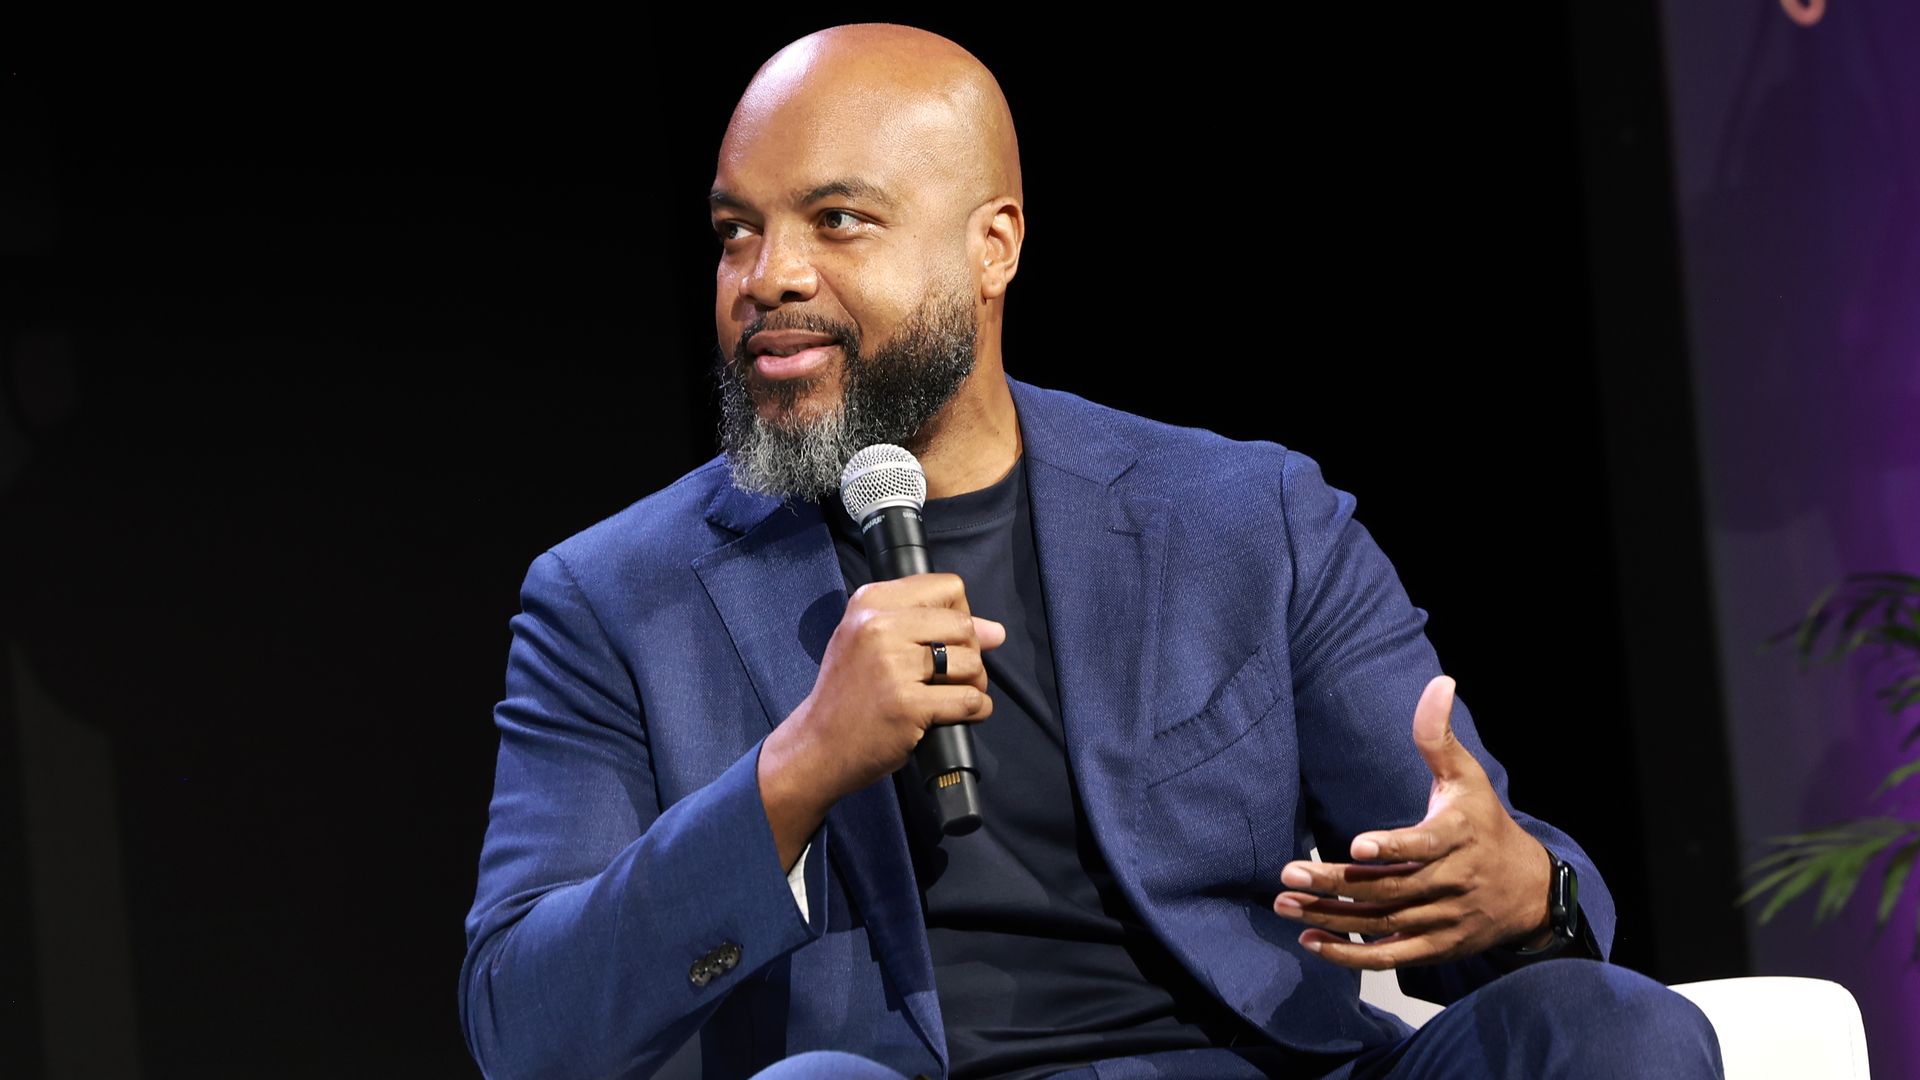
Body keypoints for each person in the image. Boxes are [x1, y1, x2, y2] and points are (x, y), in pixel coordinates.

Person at [459, 23, 1723, 1080]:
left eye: (837, 221)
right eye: (737, 231)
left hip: (1258, 1066)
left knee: (1610, 1027)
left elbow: (1462, 849)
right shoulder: (616, 595)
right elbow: (524, 1025)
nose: (767, 275)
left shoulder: (1244, 516)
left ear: (993, 245)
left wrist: (1521, 899)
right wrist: (794, 773)